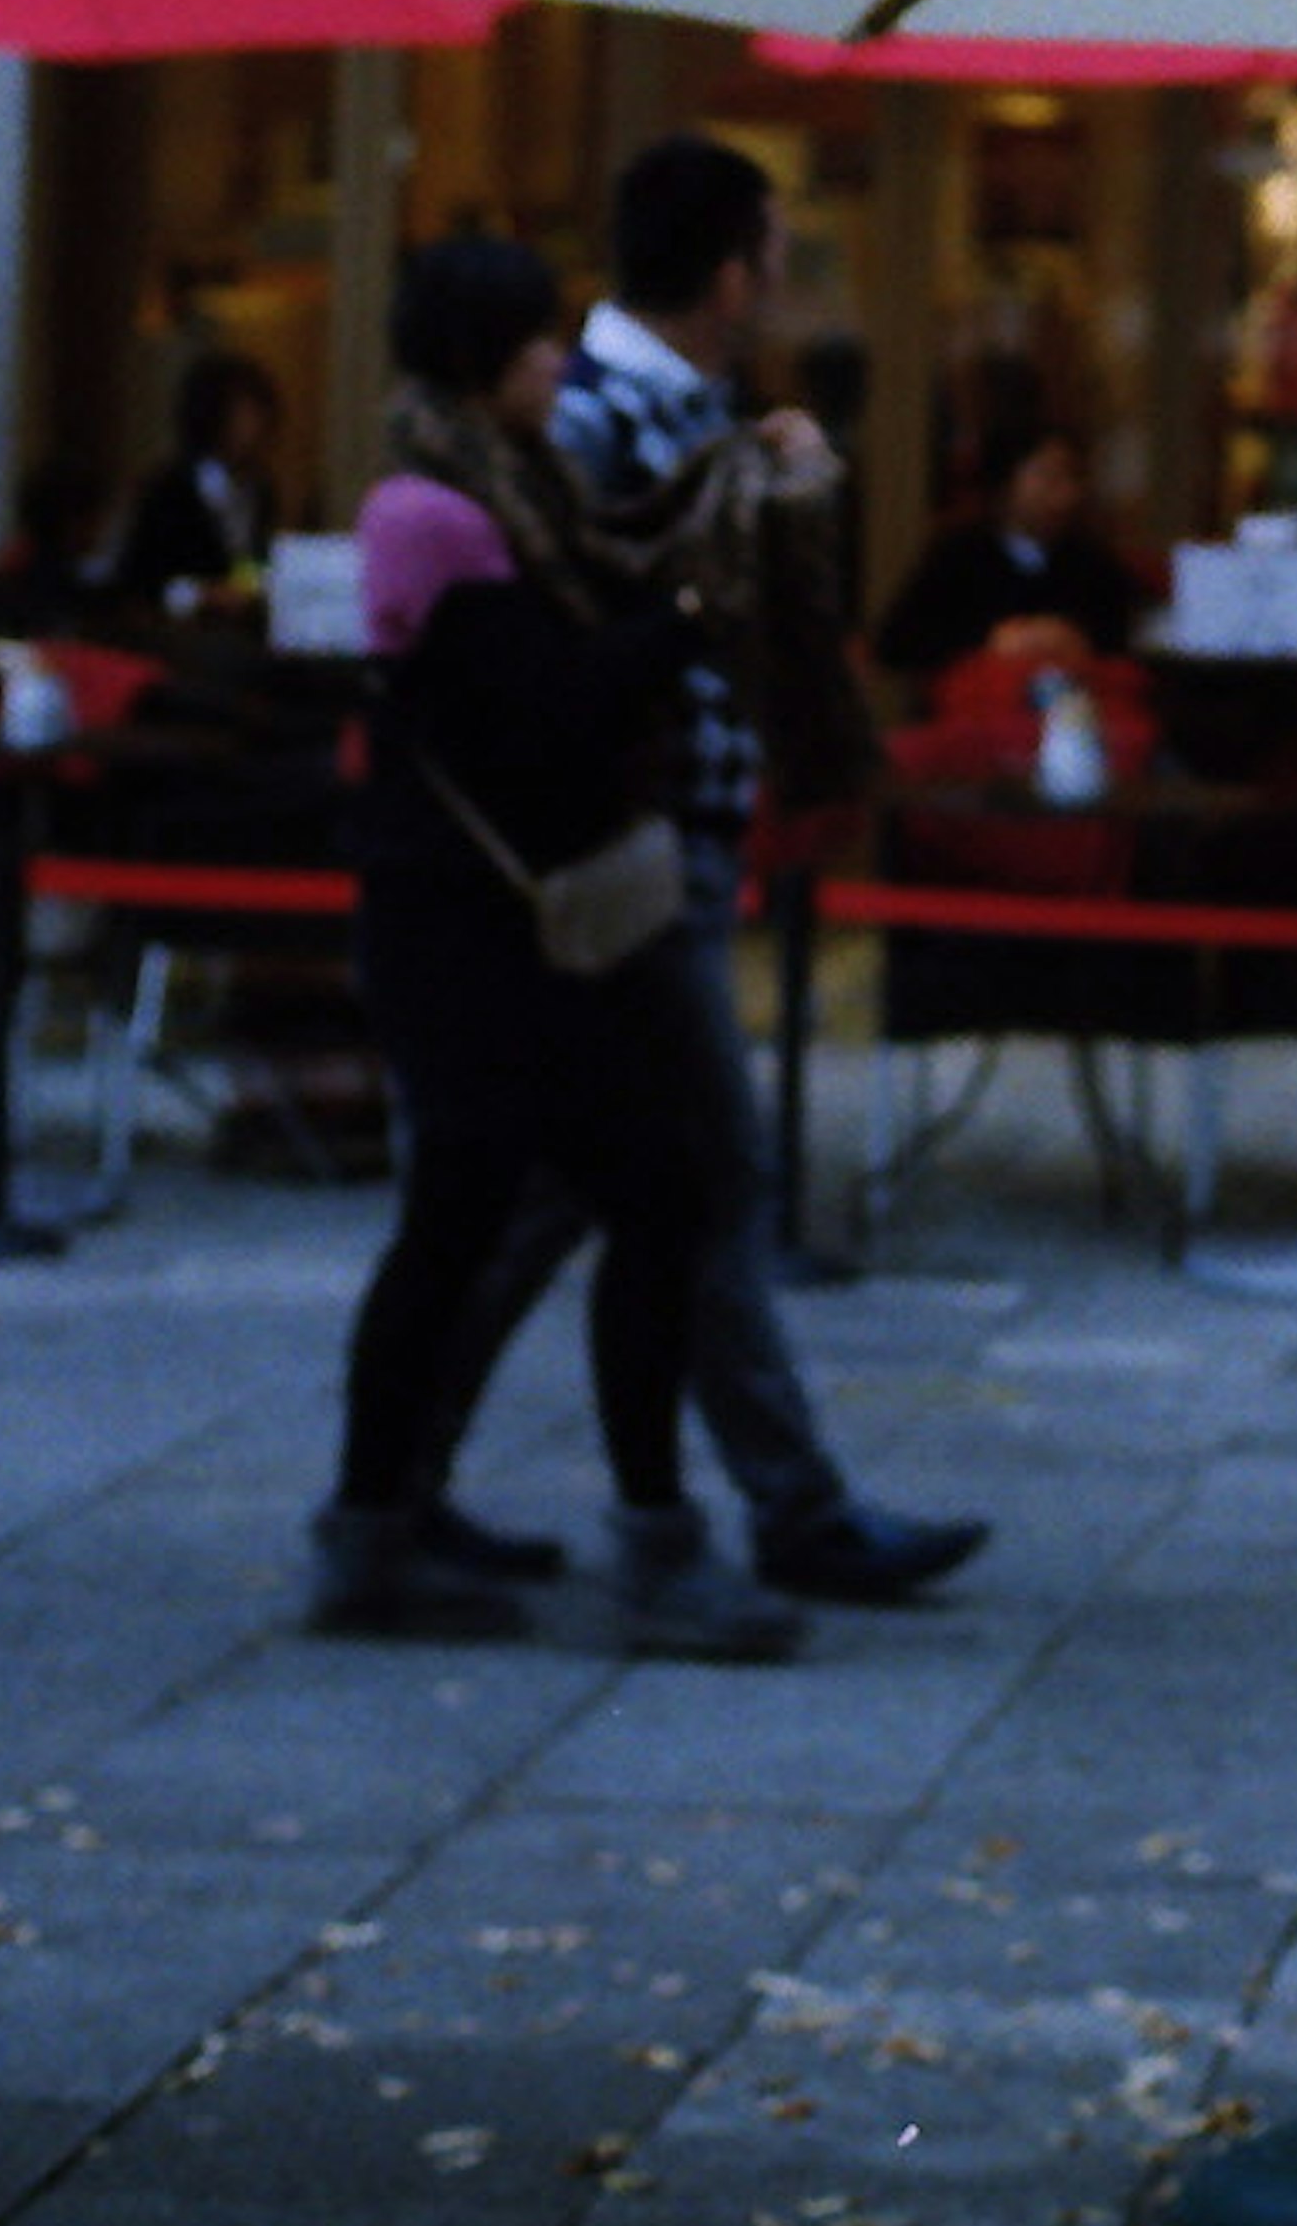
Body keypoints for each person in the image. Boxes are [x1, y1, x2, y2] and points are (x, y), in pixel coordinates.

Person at [421, 133, 987, 1612]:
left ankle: (392, 1483)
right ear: (735, 270)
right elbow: (587, 639)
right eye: (773, 251)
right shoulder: (598, 420)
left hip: (675, 848)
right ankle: (780, 1510)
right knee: (705, 1175)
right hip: (623, 855)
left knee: (563, 1190)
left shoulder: (694, 414)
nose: (781, 279)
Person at [311, 234, 797, 1656]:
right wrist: (694, 612)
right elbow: (533, 709)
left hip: (511, 925)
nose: (555, 361)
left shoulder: (516, 492)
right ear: (478, 354)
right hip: (472, 931)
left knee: (494, 1217)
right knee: (632, 1195)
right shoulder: (434, 511)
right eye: (533, 341)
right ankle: (638, 1547)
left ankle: (380, 1524)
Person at [873, 416, 1148, 712]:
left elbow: (1124, 641)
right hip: (975, 721)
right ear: (1004, 483)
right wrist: (993, 640)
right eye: (1047, 477)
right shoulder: (959, 555)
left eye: (1072, 478)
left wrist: (1072, 639)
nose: (1064, 495)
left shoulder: (1091, 560)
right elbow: (896, 643)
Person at [109, 348, 282, 613]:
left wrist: (249, 588)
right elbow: (138, 578)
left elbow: (249, 560)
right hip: (175, 635)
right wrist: (201, 594)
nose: (255, 426)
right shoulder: (168, 489)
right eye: (243, 414)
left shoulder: (259, 490)